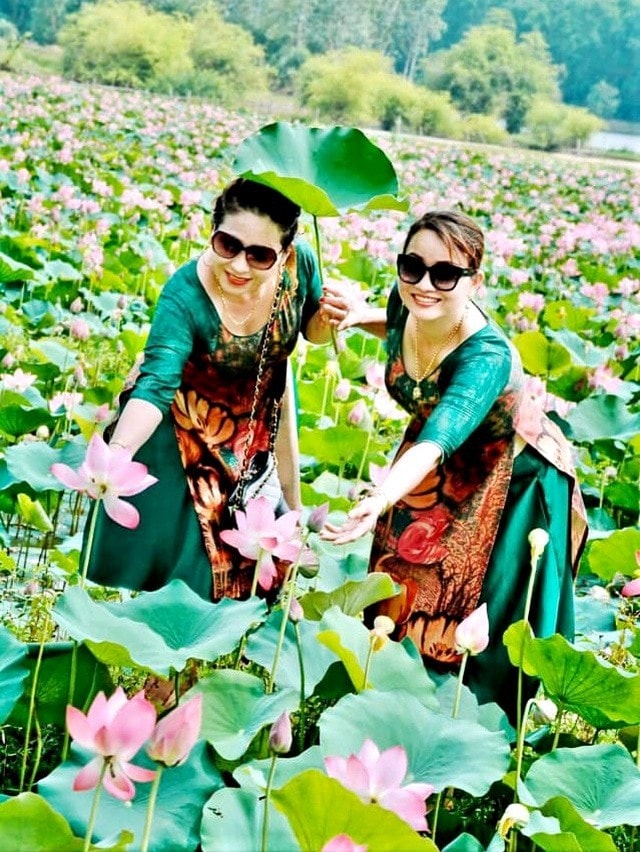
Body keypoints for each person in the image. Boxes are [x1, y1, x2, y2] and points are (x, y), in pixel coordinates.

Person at [322, 209, 587, 717]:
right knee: (400, 566)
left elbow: (440, 435)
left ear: (475, 281)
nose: (425, 284)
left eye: (445, 274)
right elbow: (404, 322)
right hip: (435, 461)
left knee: (476, 603)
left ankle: (467, 723)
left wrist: (380, 495)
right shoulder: (410, 303)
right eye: (412, 267)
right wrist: (359, 316)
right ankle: (385, 695)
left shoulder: (487, 357)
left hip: (510, 472)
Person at [87, 178, 350, 601]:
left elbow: (312, 328)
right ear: (212, 234)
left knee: (256, 564)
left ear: (284, 255)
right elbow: (156, 386)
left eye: (259, 255)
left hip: (258, 418)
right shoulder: (184, 293)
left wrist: (329, 317)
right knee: (192, 576)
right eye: (228, 244)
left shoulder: (302, 266)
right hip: (185, 430)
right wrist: (114, 457)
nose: (240, 266)